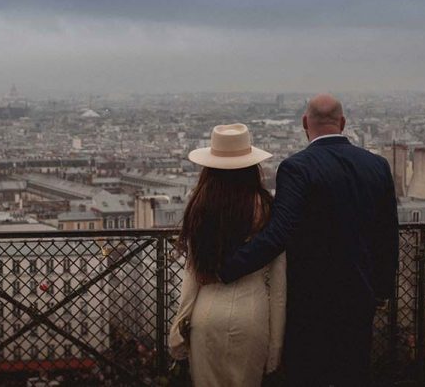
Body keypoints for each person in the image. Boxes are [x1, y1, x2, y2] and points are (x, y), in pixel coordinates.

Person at [219, 94, 399, 387]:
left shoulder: (297, 168)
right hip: (359, 297)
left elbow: (278, 234)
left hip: (310, 302)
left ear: (305, 123)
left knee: (308, 375)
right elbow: (387, 235)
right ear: (343, 123)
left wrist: (225, 268)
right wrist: (381, 289)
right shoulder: (376, 165)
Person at [169, 124, 286, 387]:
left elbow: (192, 275)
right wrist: (276, 345)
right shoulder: (266, 207)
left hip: (207, 313)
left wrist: (178, 329)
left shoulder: (201, 205)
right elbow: (279, 285)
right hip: (252, 313)